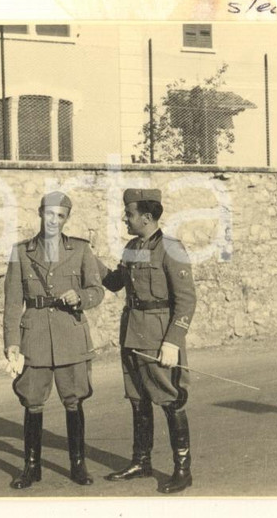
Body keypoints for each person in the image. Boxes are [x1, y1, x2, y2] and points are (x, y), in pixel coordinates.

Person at [3, 191, 104, 489]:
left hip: (70, 335)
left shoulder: (81, 250)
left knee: (73, 401)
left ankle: (77, 464)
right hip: (33, 337)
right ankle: (31, 467)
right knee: (32, 402)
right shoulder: (21, 251)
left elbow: (96, 290)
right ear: (40, 213)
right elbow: (11, 303)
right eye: (49, 214)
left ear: (67, 219)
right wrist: (11, 342)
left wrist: (81, 297)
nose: (54, 221)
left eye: (60, 216)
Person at [100, 188, 197, 494]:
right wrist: (90, 261)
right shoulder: (132, 247)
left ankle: (183, 469)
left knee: (170, 399)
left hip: (158, 337)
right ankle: (141, 461)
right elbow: (116, 282)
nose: (124, 218)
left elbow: (186, 301)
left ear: (146, 217)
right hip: (132, 332)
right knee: (138, 399)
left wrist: (173, 341)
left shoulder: (171, 248)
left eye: (129, 214)